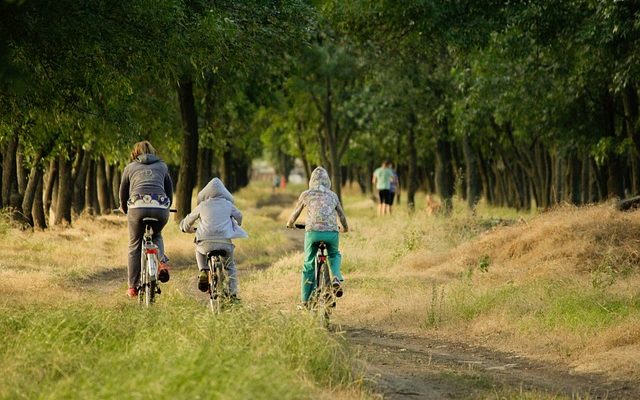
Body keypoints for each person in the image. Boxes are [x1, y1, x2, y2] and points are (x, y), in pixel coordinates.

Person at [286, 167, 349, 308]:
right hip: (331, 233)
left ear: (311, 181)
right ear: (328, 181)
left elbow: (295, 213)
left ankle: (305, 301)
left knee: (308, 263)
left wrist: (290, 224)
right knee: (334, 254)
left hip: (313, 233)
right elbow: (342, 216)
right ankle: (336, 278)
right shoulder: (333, 195)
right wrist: (345, 228)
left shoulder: (306, 194)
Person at [119, 140, 173, 298]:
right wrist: (166, 206)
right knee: (157, 235)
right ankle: (161, 262)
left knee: (134, 244)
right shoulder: (163, 166)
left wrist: (124, 208)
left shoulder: (129, 168)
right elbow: (169, 191)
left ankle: (132, 287)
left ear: (135, 153)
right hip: (160, 207)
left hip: (137, 207)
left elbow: (123, 193)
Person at [179, 177, 247, 298]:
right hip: (224, 242)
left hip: (205, 242)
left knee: (199, 251)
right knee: (230, 267)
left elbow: (188, 221)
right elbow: (239, 216)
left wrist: (184, 227)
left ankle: (203, 271)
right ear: (225, 193)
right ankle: (232, 294)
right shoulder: (228, 204)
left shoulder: (203, 205)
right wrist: (237, 224)